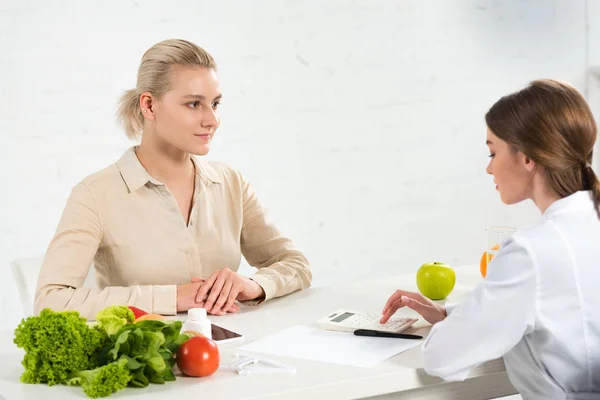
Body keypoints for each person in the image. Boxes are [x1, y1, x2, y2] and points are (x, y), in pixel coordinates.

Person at [34, 39, 312, 320]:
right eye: (194, 104)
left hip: (234, 350)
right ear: (149, 106)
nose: (212, 119)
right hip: (146, 359)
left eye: (215, 104)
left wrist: (252, 285)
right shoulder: (95, 195)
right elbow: (51, 301)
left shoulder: (231, 183)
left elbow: (295, 263)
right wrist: (172, 297)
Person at [380, 79, 600, 398]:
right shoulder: (586, 222)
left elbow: (441, 357)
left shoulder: (532, 252)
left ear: (527, 158)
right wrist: (452, 314)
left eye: (492, 152)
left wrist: (454, 326)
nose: (488, 168)